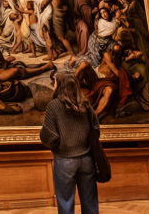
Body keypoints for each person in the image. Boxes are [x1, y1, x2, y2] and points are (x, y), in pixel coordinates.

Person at [40, 74, 100, 214]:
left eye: (55, 82)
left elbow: (49, 136)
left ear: (60, 85)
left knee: (65, 200)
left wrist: (58, 145)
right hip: (87, 159)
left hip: (64, 160)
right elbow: (96, 129)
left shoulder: (54, 105)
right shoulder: (85, 104)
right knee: (90, 199)